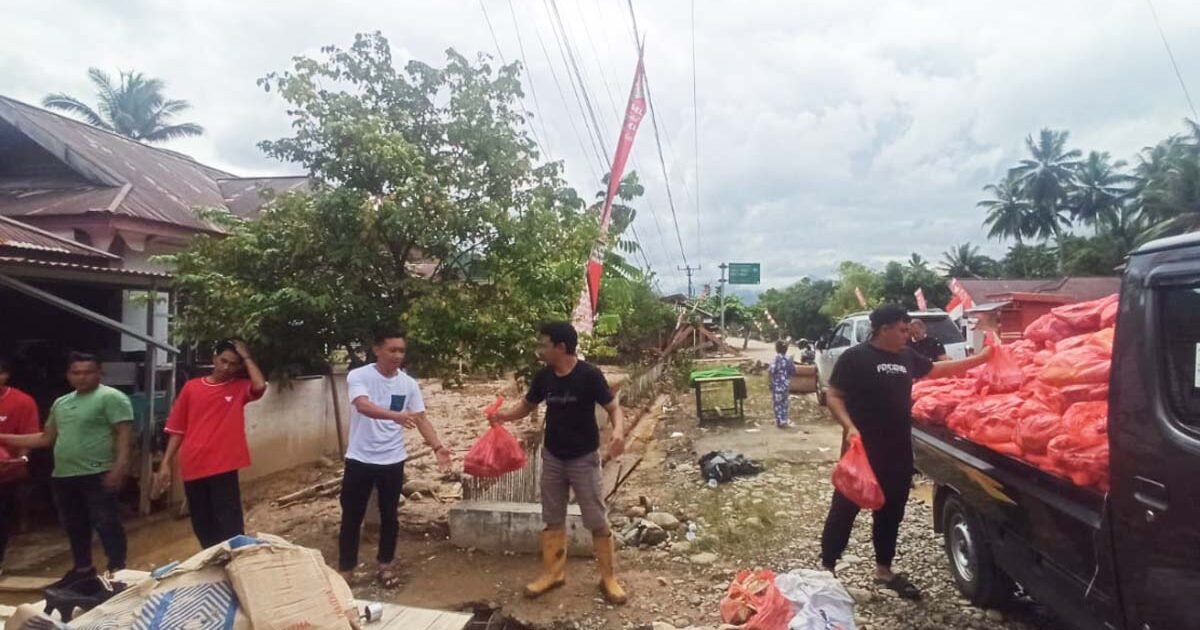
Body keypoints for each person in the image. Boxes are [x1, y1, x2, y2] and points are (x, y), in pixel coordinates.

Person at [819, 304, 990, 600]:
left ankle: (884, 570)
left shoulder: (907, 356)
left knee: (891, 510)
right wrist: (848, 426)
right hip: (861, 450)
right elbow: (833, 394)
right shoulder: (855, 357)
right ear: (883, 329)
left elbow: (937, 370)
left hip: (897, 450)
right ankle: (827, 567)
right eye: (901, 329)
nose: (906, 335)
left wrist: (981, 360)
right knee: (844, 510)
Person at [488, 321, 628, 604]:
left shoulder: (589, 375)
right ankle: (553, 574)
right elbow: (527, 405)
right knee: (552, 517)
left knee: (596, 519)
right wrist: (503, 417)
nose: (540, 349)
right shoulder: (544, 377)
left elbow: (613, 408)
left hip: (583, 458)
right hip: (552, 456)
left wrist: (618, 432)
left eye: (544, 344)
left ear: (560, 347)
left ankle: (608, 578)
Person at [0, 352, 133, 586]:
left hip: (98, 472)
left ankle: (117, 569)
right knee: (74, 524)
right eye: (76, 373)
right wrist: (5, 437)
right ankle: (83, 569)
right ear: (68, 375)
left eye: (88, 372)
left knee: (106, 522)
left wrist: (120, 466)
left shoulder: (112, 398)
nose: (82, 378)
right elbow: (45, 438)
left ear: (99, 373)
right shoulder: (61, 403)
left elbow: (124, 435)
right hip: (64, 474)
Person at [338, 329, 452, 588]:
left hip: (392, 460)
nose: (398, 355)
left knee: (390, 516)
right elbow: (362, 405)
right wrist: (396, 416)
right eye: (392, 350)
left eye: (401, 350)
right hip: (360, 459)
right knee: (351, 516)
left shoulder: (408, 384)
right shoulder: (359, 376)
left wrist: (437, 446)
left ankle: (385, 566)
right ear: (377, 350)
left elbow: (420, 419)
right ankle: (346, 569)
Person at [154, 340, 267, 548]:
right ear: (214, 358)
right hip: (193, 465)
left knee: (230, 525)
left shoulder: (239, 388)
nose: (226, 367)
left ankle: (236, 568)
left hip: (223, 465)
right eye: (223, 361)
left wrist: (247, 357)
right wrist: (166, 463)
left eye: (233, 364)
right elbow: (178, 428)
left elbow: (260, 385)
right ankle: (214, 566)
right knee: (202, 525)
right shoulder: (192, 387)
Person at [0, 357, 40, 575]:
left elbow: (30, 435)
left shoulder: (23, 402)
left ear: (6, 375)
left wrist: (21, 460)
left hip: (7, 471)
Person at [768, 341, 797, 428]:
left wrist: (770, 382)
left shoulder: (776, 359)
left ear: (777, 349)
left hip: (777, 384)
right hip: (786, 384)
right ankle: (784, 420)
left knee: (777, 403)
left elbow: (771, 371)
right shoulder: (789, 359)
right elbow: (793, 372)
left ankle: (779, 421)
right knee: (784, 403)